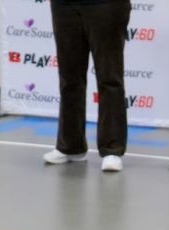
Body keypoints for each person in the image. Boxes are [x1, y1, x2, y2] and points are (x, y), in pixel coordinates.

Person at [42, 0, 131, 172]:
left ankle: (112, 149)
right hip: (64, 6)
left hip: (106, 6)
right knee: (69, 78)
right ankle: (70, 146)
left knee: (109, 77)